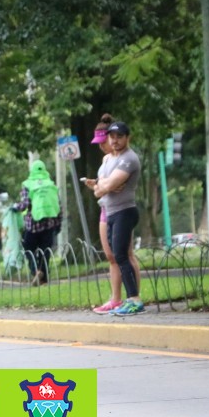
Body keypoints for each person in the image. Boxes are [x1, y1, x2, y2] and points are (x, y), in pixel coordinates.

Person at [86, 121, 143, 316]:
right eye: (112, 136)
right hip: (110, 212)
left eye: (119, 136)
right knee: (117, 256)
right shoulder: (109, 159)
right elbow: (99, 189)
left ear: (128, 137)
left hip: (124, 211)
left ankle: (134, 299)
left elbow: (108, 185)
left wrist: (104, 185)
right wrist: (103, 185)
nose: (115, 140)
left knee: (121, 255)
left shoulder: (129, 159)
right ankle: (126, 300)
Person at [13, 160, 62, 286]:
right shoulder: (51, 184)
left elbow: (25, 204)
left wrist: (15, 207)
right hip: (49, 224)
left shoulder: (28, 184)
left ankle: (35, 271)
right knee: (45, 251)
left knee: (28, 247)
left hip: (33, 225)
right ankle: (44, 279)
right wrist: (58, 223)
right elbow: (58, 205)